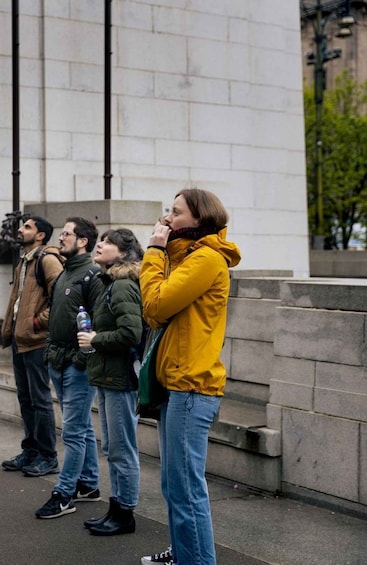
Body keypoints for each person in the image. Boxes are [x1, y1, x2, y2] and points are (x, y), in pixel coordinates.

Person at [138, 188, 241, 565]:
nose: (167, 218)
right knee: (175, 485)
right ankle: (185, 553)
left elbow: (154, 305)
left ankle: (195, 559)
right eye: (168, 210)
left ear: (199, 220)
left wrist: (153, 250)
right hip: (178, 386)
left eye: (176, 212)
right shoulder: (188, 258)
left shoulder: (206, 260)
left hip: (191, 387)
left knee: (186, 489)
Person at [77, 228, 144, 536]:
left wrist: (95, 338)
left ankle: (125, 513)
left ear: (123, 252)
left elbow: (132, 333)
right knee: (113, 448)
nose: (99, 245)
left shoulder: (123, 285)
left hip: (119, 379)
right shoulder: (110, 283)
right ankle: (116, 509)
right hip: (106, 376)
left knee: (121, 449)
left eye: (107, 242)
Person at [35, 217, 102, 519]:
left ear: (83, 241)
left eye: (66, 234)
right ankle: (88, 484)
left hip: (77, 365)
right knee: (81, 427)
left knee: (73, 432)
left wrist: (81, 359)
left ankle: (64, 495)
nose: (60, 238)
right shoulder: (65, 273)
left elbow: (99, 324)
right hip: (57, 361)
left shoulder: (92, 275)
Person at [0, 215, 63, 475]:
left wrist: (38, 323)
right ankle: (31, 450)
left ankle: (48, 456)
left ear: (40, 235)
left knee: (40, 400)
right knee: (25, 398)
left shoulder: (47, 260)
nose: (20, 229)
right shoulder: (24, 261)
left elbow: (59, 297)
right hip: (19, 339)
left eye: (27, 227)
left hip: (35, 340)